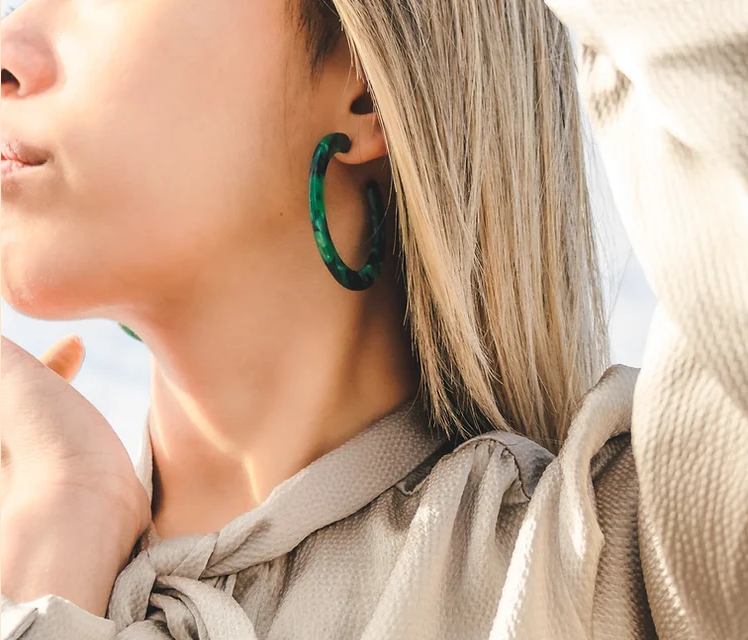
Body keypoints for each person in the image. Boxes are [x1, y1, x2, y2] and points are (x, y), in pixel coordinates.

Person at [0, 0, 745, 637]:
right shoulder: (33, 552)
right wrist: (54, 560)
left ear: (361, 83)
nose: (9, 49)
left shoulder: (622, 569)